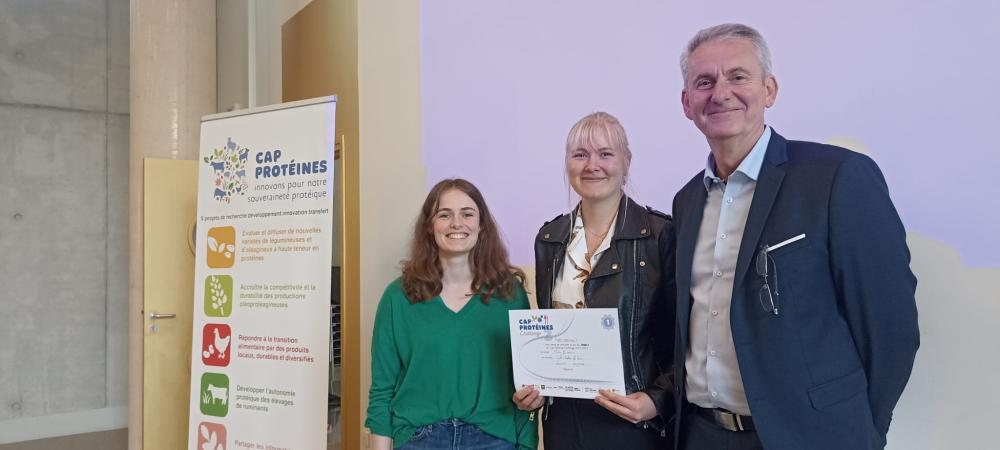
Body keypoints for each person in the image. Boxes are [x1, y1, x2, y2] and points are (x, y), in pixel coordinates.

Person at [670, 23, 919, 450]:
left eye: (738, 76)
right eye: (704, 82)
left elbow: (889, 324)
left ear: (769, 90)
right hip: (702, 435)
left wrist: (863, 427)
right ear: (687, 102)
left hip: (813, 436)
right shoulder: (687, 201)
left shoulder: (836, 178)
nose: (720, 92)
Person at [512, 112, 676, 449]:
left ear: (626, 162)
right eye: (580, 154)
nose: (592, 165)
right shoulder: (549, 239)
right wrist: (536, 388)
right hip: (565, 424)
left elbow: (684, 337)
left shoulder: (659, 235)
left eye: (605, 153)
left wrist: (657, 400)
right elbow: (550, 334)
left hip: (633, 424)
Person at [366, 178, 538, 450]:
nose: (456, 223)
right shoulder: (397, 297)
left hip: (494, 439)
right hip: (418, 438)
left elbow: (526, 385)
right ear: (429, 226)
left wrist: (527, 445)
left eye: (467, 214)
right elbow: (382, 390)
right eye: (444, 215)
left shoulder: (509, 294)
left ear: (481, 225)